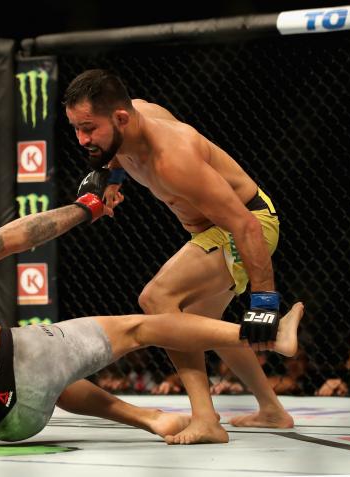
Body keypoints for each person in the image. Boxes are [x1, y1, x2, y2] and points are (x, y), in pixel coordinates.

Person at [0, 186, 304, 446]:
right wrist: (86, 207)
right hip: (24, 361)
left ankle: (150, 417)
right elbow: (15, 237)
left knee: (45, 375)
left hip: (5, 423)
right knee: (141, 324)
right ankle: (262, 332)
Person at [63, 69, 293, 444]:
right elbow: (116, 154)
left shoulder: (174, 159)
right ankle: (272, 410)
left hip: (249, 223)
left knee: (157, 298)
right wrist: (113, 182)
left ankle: (206, 418)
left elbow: (245, 226)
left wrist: (264, 302)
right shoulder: (128, 121)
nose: (81, 139)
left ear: (120, 118)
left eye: (88, 129)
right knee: (204, 325)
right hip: (213, 230)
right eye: (75, 128)